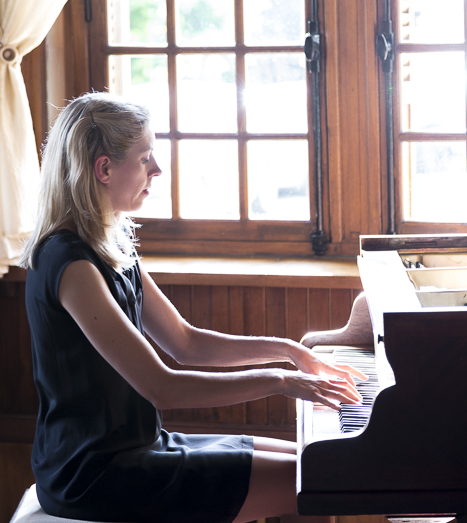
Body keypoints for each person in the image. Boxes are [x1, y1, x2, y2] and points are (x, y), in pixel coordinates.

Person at [22, 92, 365, 523]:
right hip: (94, 472)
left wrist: (289, 350)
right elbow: (162, 386)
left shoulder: (108, 243)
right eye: (145, 158)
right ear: (104, 169)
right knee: (317, 480)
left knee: (316, 467)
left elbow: (185, 342)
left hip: (141, 445)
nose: (157, 169)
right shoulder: (69, 261)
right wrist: (280, 380)